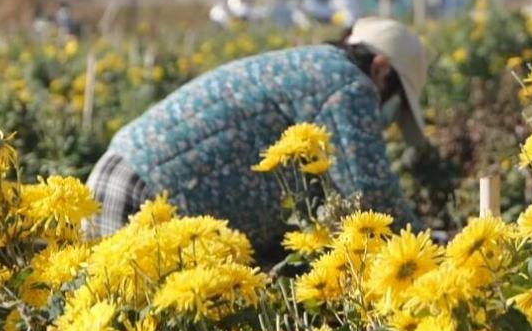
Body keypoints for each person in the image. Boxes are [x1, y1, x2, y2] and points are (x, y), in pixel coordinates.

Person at [85, 17, 427, 259]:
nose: (386, 115)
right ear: (381, 68)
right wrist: (428, 249)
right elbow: (369, 191)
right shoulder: (348, 84)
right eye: (392, 100)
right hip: (140, 195)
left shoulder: (315, 68)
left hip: (128, 176)